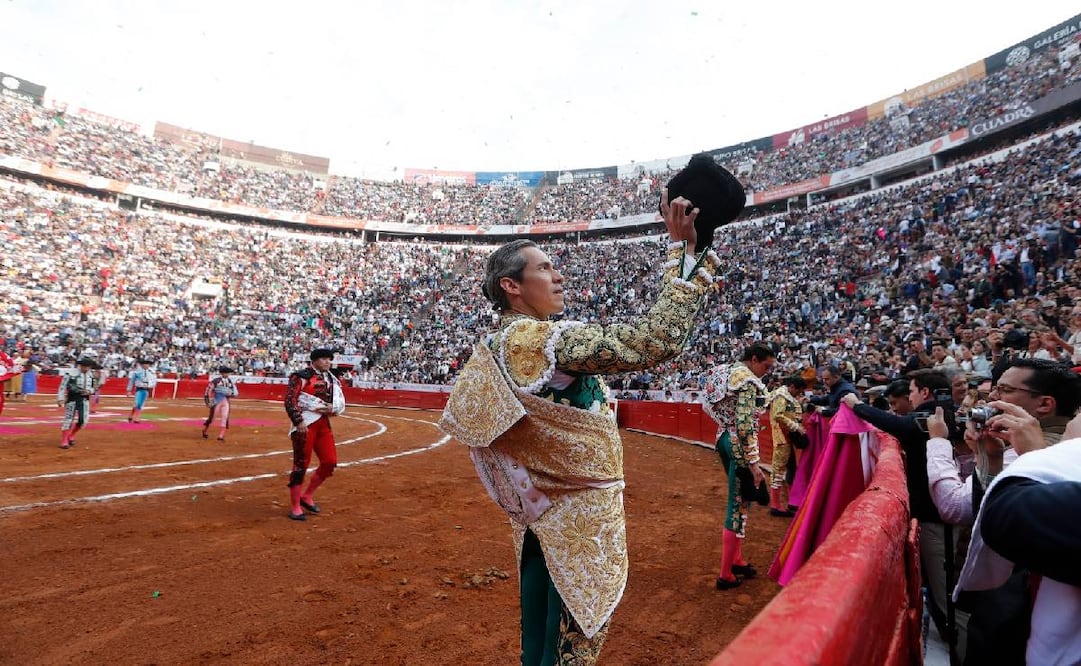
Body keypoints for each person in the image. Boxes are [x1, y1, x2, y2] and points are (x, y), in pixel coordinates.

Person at [439, 190, 722, 663]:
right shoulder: (536, 339)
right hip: (575, 516)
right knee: (567, 641)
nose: (558, 275)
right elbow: (653, 341)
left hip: (541, 512)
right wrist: (683, 253)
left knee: (543, 636)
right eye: (544, 268)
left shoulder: (499, 343)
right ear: (512, 286)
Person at [841, 369, 964, 660]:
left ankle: (962, 651)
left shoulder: (929, 420)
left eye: (911, 390)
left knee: (949, 598)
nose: (908, 396)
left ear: (924, 393)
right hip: (943, 516)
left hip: (939, 521)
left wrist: (856, 405)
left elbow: (896, 424)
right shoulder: (951, 415)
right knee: (944, 592)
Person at [954, 416, 1081, 665]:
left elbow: (986, 512)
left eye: (1006, 391)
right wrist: (991, 462)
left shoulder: (1050, 452)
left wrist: (1039, 456)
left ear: (1045, 404)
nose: (991, 400)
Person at [703, 342, 776, 589]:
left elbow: (706, 404)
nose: (767, 371)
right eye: (766, 365)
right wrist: (754, 464)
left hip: (723, 438)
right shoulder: (747, 381)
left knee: (741, 500)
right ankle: (726, 574)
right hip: (739, 447)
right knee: (737, 504)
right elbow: (745, 427)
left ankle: (736, 559)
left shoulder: (722, 371)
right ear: (754, 359)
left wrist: (725, 424)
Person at [284, 348, 345, 522]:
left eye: (329, 359)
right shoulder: (300, 376)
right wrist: (298, 421)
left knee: (330, 461)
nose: (328, 362)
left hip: (323, 424)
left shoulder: (331, 379)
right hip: (305, 424)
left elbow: (336, 402)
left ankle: (307, 495)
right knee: (301, 464)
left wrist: (333, 408)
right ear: (315, 361)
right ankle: (295, 506)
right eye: (324, 359)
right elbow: (290, 400)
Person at [766, 375, 805, 517]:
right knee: (778, 469)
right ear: (792, 387)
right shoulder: (781, 396)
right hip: (782, 437)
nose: (798, 394)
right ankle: (775, 506)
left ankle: (792, 502)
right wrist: (796, 426)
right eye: (798, 391)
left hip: (786, 437)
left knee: (791, 468)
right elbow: (777, 415)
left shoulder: (785, 395)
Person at [57, 358, 98, 449]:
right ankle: (64, 441)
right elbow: (62, 386)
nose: (86, 368)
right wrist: (60, 398)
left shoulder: (91, 375)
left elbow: (94, 388)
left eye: (88, 367)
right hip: (72, 398)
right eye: (84, 366)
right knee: (68, 419)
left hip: (84, 399)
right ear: (80, 366)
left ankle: (71, 435)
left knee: (83, 420)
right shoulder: (70, 373)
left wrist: (89, 391)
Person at [202, 366, 238, 441]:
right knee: (212, 418)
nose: (228, 374)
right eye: (227, 373)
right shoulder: (216, 381)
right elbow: (208, 390)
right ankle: (205, 430)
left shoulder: (230, 382)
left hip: (225, 401)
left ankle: (221, 435)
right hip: (216, 401)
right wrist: (208, 401)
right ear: (223, 373)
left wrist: (232, 394)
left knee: (225, 417)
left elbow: (234, 393)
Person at [125, 358, 157, 423]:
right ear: (142, 365)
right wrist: (129, 390)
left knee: (140, 404)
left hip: (146, 390)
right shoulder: (137, 372)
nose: (146, 365)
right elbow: (131, 381)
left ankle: (131, 415)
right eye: (144, 364)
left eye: (147, 364)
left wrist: (150, 385)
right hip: (139, 389)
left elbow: (154, 381)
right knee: (138, 403)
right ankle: (136, 418)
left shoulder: (152, 372)